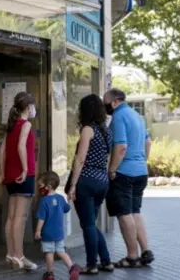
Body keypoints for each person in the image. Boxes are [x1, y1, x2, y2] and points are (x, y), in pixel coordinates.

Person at [103, 88, 155, 268]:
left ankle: (132, 256)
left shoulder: (118, 117)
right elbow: (148, 142)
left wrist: (112, 169)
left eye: (106, 102)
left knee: (124, 214)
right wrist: (142, 161)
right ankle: (145, 250)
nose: (105, 106)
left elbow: (121, 147)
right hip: (141, 171)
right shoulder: (137, 116)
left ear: (115, 102)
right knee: (135, 211)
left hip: (123, 173)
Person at [66, 94, 114, 274]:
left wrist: (72, 185)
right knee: (91, 223)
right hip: (102, 181)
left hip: (86, 180)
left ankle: (92, 264)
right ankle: (106, 261)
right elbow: (108, 157)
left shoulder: (87, 129)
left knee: (87, 225)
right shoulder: (106, 130)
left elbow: (80, 159)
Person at [0, 92, 38, 270]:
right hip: (24, 174)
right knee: (20, 218)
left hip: (9, 175)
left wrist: (2, 173)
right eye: (33, 106)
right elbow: (22, 146)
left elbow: (3, 151)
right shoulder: (26, 124)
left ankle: (10, 254)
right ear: (29, 107)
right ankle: (19, 256)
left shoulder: (10, 125)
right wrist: (24, 169)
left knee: (11, 216)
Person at [35, 172, 81, 280]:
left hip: (47, 233)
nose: (39, 188)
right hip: (59, 233)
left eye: (40, 186)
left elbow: (41, 218)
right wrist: (69, 200)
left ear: (48, 187)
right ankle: (71, 268)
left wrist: (38, 231)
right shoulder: (61, 198)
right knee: (61, 251)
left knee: (49, 253)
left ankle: (50, 274)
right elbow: (67, 209)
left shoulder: (43, 201)